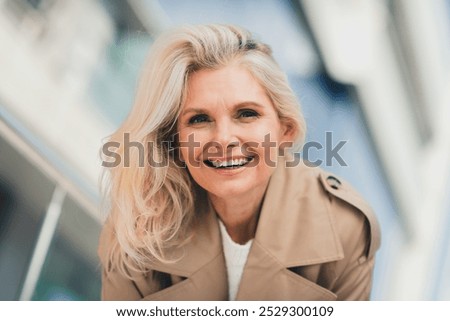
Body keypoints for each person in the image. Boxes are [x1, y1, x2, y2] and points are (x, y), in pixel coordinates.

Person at [98, 24, 381, 301]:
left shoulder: (345, 228)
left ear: (286, 129)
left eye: (246, 113)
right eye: (199, 119)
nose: (223, 139)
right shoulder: (137, 224)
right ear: (176, 143)